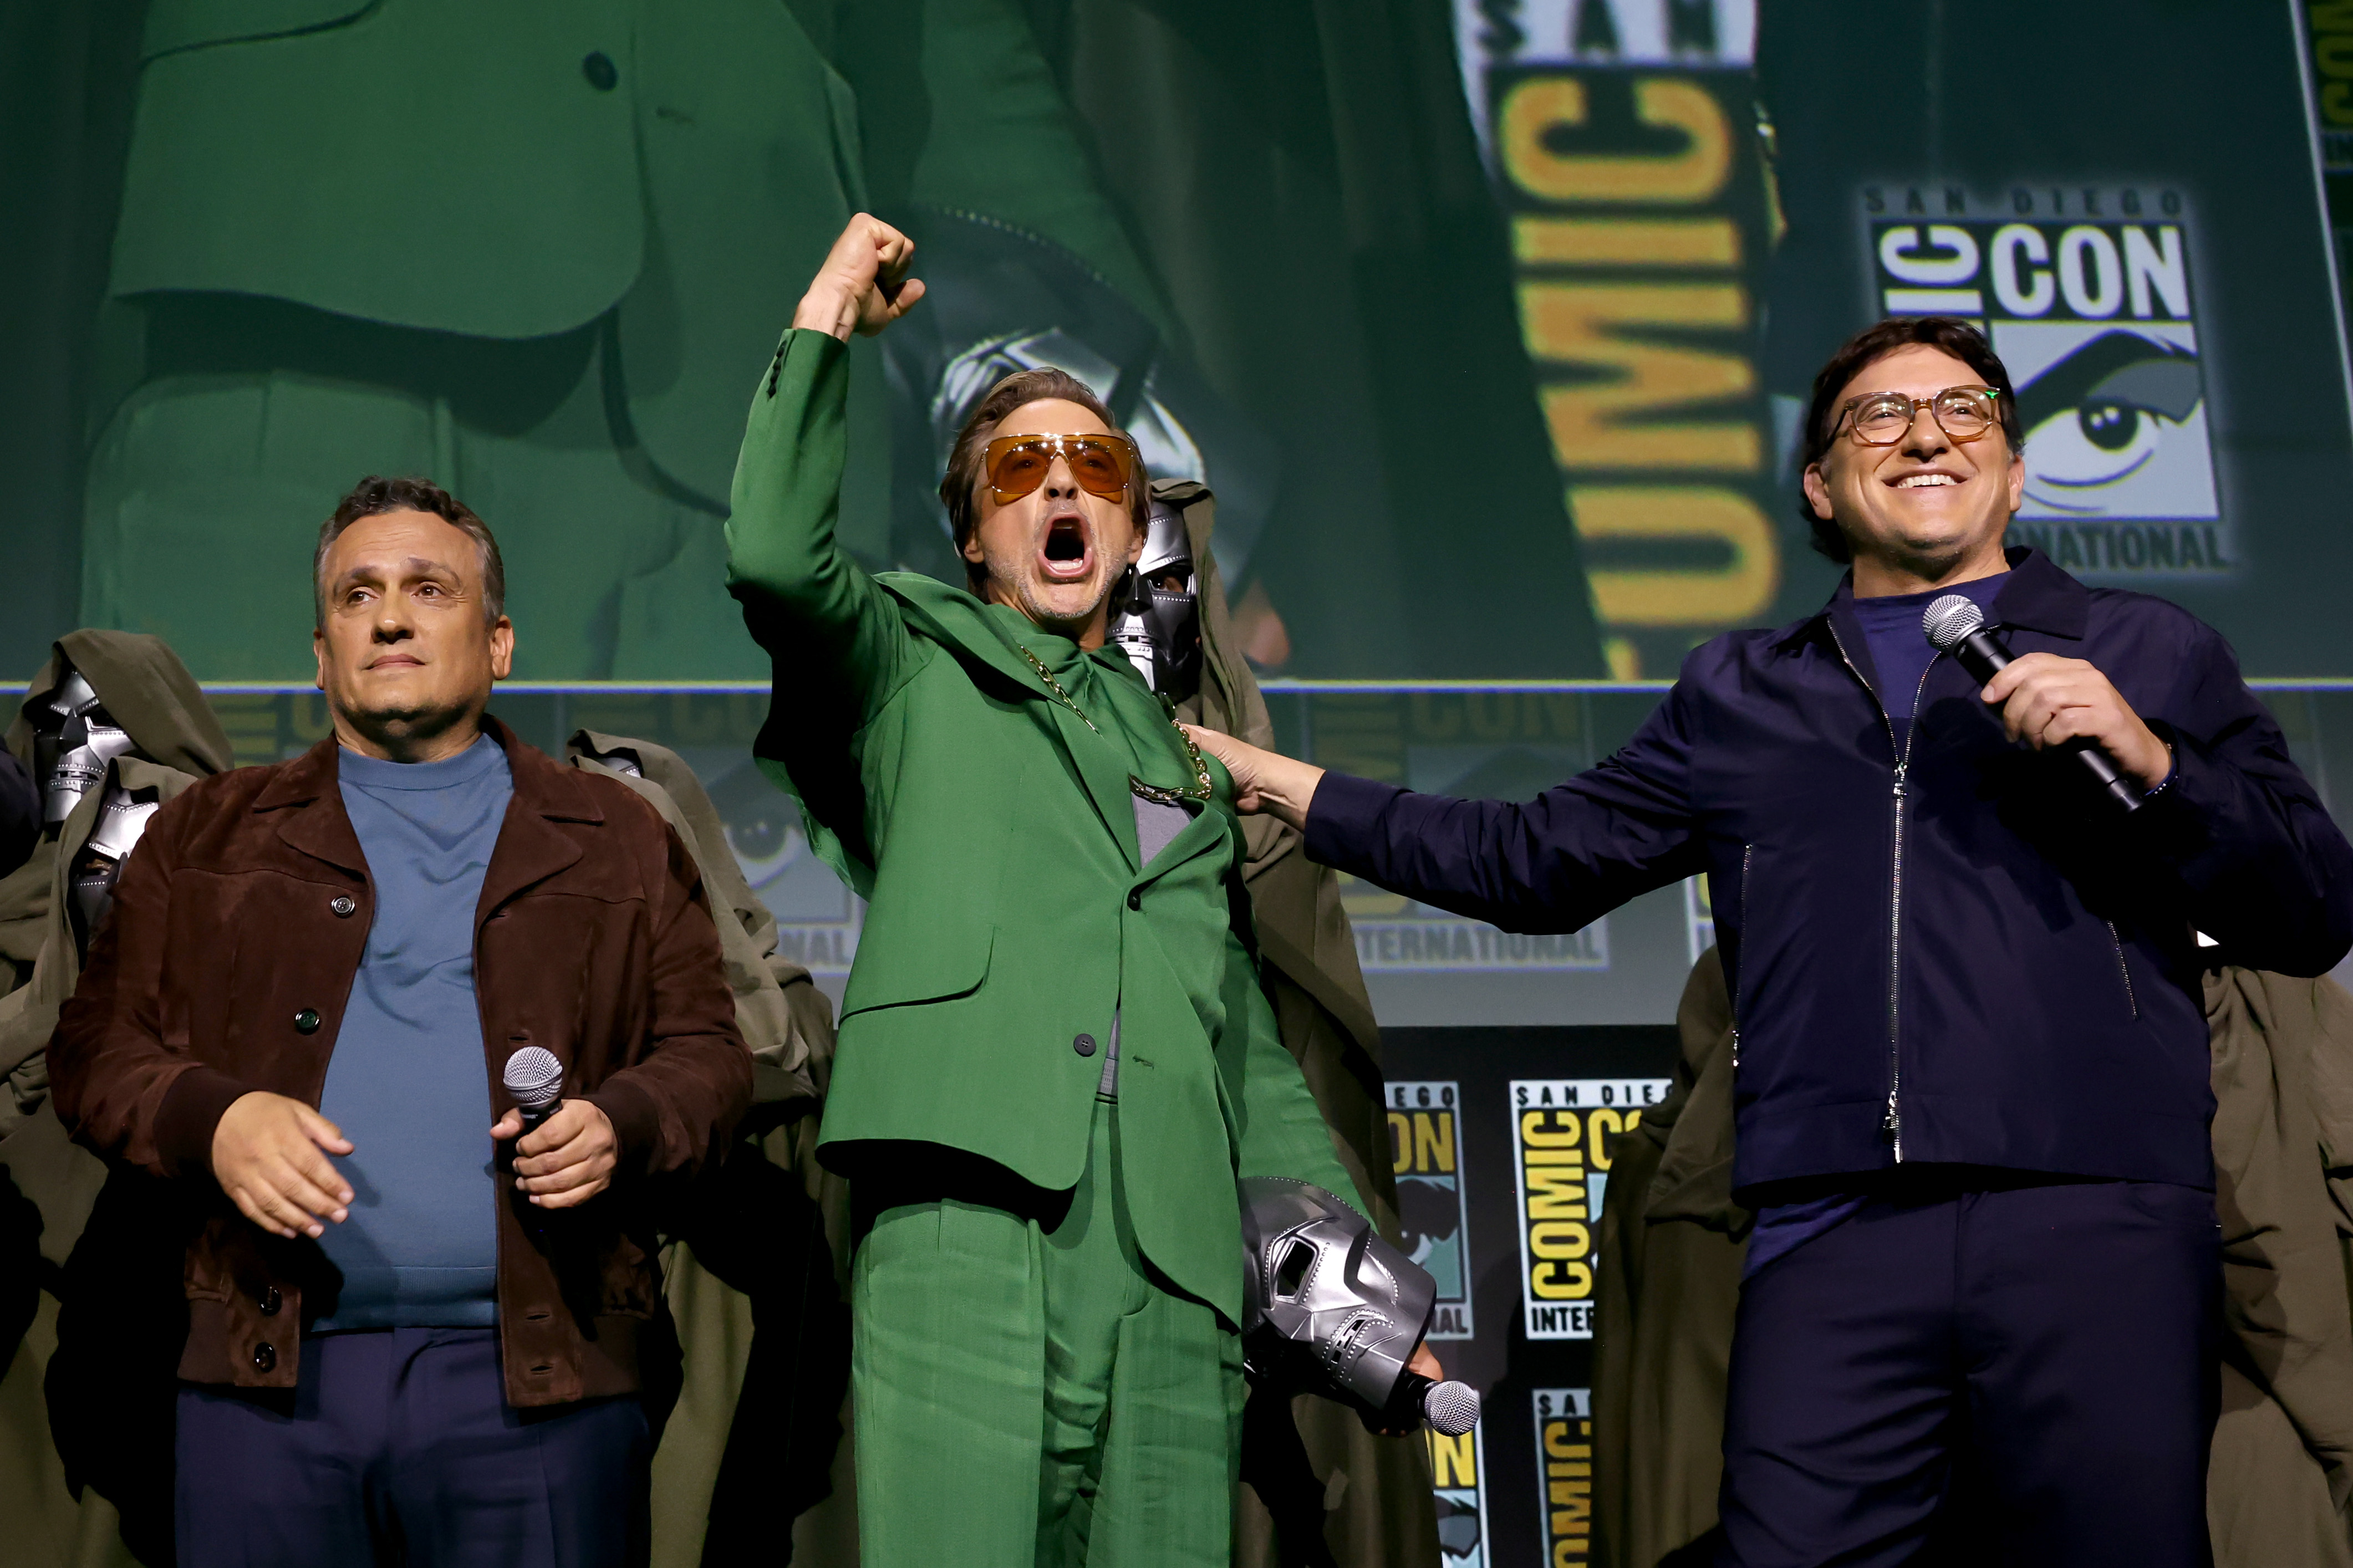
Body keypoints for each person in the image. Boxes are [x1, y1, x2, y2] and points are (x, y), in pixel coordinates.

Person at [1188, 315, 2353, 1566]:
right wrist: (1285, 784)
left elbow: (2310, 905)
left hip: (2092, 1214)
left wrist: (2158, 764)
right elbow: (1528, 860)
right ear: (1818, 484)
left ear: (2013, 470)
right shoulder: (1740, 694)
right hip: (1831, 1230)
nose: (1923, 433)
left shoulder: (2145, 651)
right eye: (1878, 415)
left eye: (1965, 411)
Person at [726, 214, 1419, 1568]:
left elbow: (1241, 1040)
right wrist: (821, 327)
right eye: (1020, 467)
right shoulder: (907, 662)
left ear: (1131, 518)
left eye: (1095, 465)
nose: (1061, 488)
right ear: (974, 530)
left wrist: (1359, 1296)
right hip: (968, 1217)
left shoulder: (1184, 755)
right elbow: (771, 557)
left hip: (1174, 1264)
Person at [45, 476, 755, 1568]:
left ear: (500, 641)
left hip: (541, 1381)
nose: (389, 616)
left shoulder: (614, 833)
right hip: (264, 1382)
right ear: (322, 651)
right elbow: (96, 1052)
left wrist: (625, 1120)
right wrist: (212, 1118)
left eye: (430, 588)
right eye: (356, 593)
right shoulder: (207, 837)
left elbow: (709, 1056)